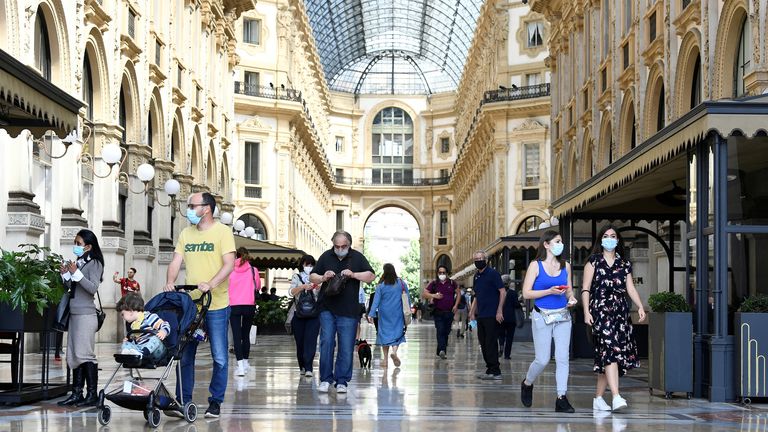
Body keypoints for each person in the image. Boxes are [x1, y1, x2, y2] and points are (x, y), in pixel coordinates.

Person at [164, 192, 236, 418]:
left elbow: (229, 264)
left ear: (206, 208)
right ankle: (183, 400)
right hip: (190, 305)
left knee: (219, 356)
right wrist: (169, 282)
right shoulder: (186, 233)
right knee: (184, 354)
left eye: (192, 205)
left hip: (217, 304)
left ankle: (215, 401)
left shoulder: (223, 232)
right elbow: (176, 260)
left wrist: (211, 284)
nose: (188, 209)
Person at [582, 224, 646, 412]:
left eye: (613, 236)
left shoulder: (624, 264)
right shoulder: (593, 262)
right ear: (601, 239)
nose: (609, 238)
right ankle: (616, 396)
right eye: (606, 235)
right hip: (600, 312)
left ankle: (598, 398)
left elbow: (630, 288)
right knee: (611, 351)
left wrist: (640, 306)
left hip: (620, 313)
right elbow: (585, 288)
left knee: (608, 355)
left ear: (618, 240)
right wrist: (586, 311)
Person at [310, 230, 375, 394]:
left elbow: (371, 276)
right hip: (327, 307)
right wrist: (323, 277)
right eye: (336, 246)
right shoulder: (326, 256)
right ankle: (325, 379)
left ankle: (342, 381)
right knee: (326, 342)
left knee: (346, 346)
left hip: (348, 310)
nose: (339, 249)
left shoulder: (357, 257)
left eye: (343, 246)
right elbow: (312, 277)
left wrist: (353, 274)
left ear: (349, 244)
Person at [520, 230, 577, 413]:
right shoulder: (535, 266)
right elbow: (527, 293)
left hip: (562, 316)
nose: (561, 244)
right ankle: (527, 382)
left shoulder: (565, 266)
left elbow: (568, 289)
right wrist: (549, 291)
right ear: (546, 244)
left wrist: (571, 298)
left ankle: (561, 397)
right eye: (557, 241)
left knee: (562, 358)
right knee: (543, 359)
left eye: (561, 241)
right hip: (541, 315)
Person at [57, 229, 104, 407]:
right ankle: (77, 393)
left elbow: (92, 288)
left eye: (79, 243)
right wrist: (66, 275)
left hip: (86, 314)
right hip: (75, 313)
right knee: (74, 355)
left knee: (85, 354)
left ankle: (91, 395)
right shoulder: (80, 262)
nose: (75, 246)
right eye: (75, 243)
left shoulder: (95, 263)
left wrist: (76, 273)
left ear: (89, 246)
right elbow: (74, 287)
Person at [468, 250, 505, 380]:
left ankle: (496, 370)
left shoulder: (493, 274)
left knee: (490, 342)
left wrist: (499, 310)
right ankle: (489, 369)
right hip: (481, 315)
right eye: (476, 259)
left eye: (481, 258)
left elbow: (502, 291)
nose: (478, 260)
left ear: (486, 260)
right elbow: (477, 296)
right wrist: (472, 312)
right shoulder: (476, 276)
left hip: (492, 314)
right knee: (483, 342)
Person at [368, 263, 410, 368]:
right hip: (397, 312)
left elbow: (376, 301)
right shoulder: (401, 283)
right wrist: (408, 311)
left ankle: (385, 360)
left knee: (384, 335)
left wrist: (371, 314)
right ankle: (394, 352)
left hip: (384, 314)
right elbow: (407, 298)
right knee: (397, 333)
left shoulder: (381, 285)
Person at [229, 247, 259, 376]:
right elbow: (257, 286)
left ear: (236, 255)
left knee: (236, 335)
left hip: (233, 304)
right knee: (245, 335)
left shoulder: (229, 269)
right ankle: (246, 362)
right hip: (249, 304)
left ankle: (240, 365)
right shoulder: (253, 270)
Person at [289, 255, 320, 377]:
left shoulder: (317, 278)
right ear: (302, 265)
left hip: (314, 315)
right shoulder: (296, 276)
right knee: (300, 342)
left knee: (311, 341)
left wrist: (316, 287)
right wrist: (302, 287)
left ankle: (309, 368)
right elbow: (291, 292)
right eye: (307, 265)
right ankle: (302, 365)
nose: (309, 267)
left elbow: (321, 294)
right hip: (299, 314)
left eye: (311, 265)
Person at [117, 293, 170, 363]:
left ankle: (142, 354)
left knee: (155, 338)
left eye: (123, 314)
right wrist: (130, 340)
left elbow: (165, 324)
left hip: (157, 350)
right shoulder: (134, 325)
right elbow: (137, 340)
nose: (122, 317)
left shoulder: (149, 317)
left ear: (130, 311)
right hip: (141, 347)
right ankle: (128, 353)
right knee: (126, 342)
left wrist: (163, 331)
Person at [423, 265, 460, 359]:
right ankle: (443, 350)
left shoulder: (452, 283)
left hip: (449, 311)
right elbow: (424, 293)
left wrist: (456, 306)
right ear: (437, 273)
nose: (442, 274)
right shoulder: (434, 283)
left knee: (446, 331)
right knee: (440, 330)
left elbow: (458, 294)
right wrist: (434, 295)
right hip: (438, 312)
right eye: (440, 272)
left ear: (447, 273)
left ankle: (439, 350)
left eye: (444, 272)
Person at [498, 274, 521, 360]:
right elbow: (516, 305)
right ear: (509, 283)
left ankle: (500, 348)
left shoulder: (499, 292)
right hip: (511, 318)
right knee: (509, 337)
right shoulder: (513, 293)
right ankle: (507, 355)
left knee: (501, 335)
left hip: (500, 317)